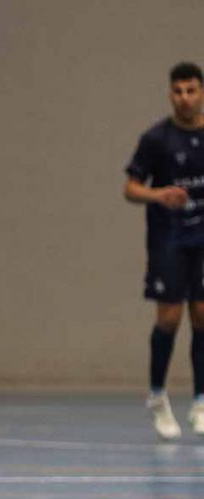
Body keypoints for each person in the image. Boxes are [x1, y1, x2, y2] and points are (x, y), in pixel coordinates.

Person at [124, 62, 204, 439]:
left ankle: (201, 401)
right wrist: (158, 195)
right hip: (168, 239)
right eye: (178, 91)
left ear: (201, 93)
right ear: (170, 94)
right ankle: (158, 396)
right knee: (170, 318)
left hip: (202, 240)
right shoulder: (156, 139)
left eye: (191, 90)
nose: (184, 98)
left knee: (202, 315)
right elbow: (130, 188)